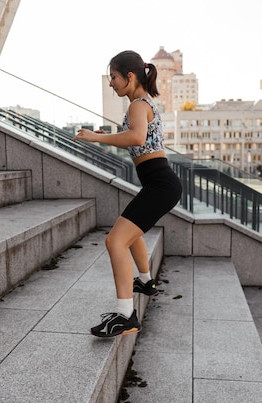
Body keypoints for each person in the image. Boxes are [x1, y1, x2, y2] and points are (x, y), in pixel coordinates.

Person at [73, 50, 182, 337]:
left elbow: (136, 137)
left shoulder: (137, 105)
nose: (111, 83)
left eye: (114, 77)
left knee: (115, 241)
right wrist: (106, 135)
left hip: (160, 185)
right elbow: (135, 138)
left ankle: (125, 316)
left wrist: (97, 138)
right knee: (130, 234)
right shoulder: (144, 103)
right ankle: (145, 282)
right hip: (160, 184)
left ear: (129, 77)